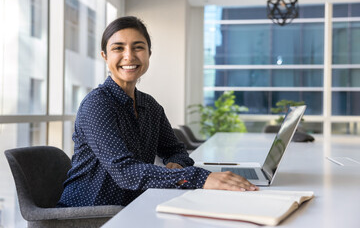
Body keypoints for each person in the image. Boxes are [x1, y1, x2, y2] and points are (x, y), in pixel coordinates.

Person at [57, 16, 258, 208]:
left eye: (138, 47)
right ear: (105, 56)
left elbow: (175, 150)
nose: (129, 56)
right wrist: (201, 177)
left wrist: (176, 165)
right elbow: (125, 171)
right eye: (118, 48)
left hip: (136, 206)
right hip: (88, 213)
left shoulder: (150, 105)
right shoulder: (97, 104)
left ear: (149, 54)